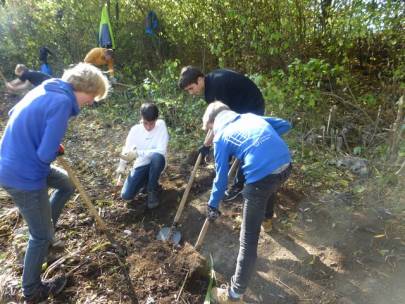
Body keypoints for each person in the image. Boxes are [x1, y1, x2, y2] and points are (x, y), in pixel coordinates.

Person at [0, 63, 110, 304]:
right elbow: (44, 155)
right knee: (38, 236)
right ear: (83, 89)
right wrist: (51, 145)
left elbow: (13, 115)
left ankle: (48, 230)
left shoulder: (47, 88)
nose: (91, 102)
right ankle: (32, 290)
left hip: (16, 160)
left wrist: (47, 142)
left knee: (67, 184)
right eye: (92, 97)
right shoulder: (61, 103)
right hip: (25, 174)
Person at [202, 101, 292, 304]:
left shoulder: (221, 137)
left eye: (209, 127)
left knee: (248, 239)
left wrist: (213, 204)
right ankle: (267, 220)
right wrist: (261, 141)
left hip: (261, 178)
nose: (210, 131)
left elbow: (221, 178)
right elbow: (285, 125)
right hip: (285, 165)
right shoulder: (251, 117)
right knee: (270, 185)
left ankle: (234, 295)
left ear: (213, 122)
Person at [178, 66, 266, 201]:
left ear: (200, 79)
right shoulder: (211, 83)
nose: (191, 93)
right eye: (188, 90)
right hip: (240, 107)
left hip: (252, 107)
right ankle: (228, 173)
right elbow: (216, 121)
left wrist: (207, 145)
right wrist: (206, 144)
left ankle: (238, 186)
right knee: (229, 144)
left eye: (191, 88)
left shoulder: (215, 89)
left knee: (243, 145)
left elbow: (220, 122)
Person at [116, 102, 169, 209]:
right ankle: (147, 182)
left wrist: (137, 153)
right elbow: (126, 148)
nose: (149, 127)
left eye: (152, 123)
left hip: (158, 163)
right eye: (145, 123)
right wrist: (121, 166)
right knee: (126, 195)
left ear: (156, 119)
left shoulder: (161, 125)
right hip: (142, 164)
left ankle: (152, 190)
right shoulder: (135, 130)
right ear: (141, 118)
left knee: (157, 157)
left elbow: (161, 151)